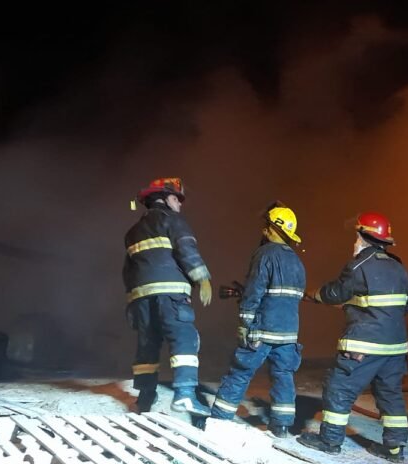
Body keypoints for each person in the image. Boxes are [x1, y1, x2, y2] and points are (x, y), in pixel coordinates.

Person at [297, 212, 408, 462]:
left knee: (339, 387)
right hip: (395, 346)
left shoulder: (359, 265)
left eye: (356, 237)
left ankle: (329, 440)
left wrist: (314, 294)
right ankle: (394, 449)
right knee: (390, 393)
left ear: (363, 237)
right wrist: (384, 315)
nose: (354, 243)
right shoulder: (399, 267)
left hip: (363, 343)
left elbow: (335, 294)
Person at [210, 203, 306, 438]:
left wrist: (245, 322)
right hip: (289, 332)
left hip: (263, 329)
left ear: (273, 228)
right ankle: (281, 426)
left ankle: (220, 420)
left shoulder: (264, 255)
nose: (263, 230)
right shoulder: (297, 261)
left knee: (240, 372)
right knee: (284, 376)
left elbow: (254, 291)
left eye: (266, 225)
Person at [122, 177, 212, 415]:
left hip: (142, 298)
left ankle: (144, 397)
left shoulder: (132, 232)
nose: (180, 205)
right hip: (171, 295)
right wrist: (202, 278)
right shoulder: (173, 220)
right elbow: (186, 248)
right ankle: (185, 395)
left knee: (147, 344)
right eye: (177, 199)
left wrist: (132, 301)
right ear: (165, 198)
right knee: (184, 338)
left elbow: (128, 270)